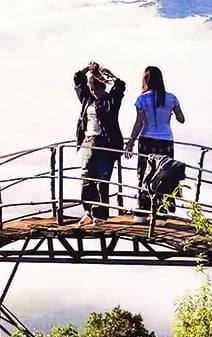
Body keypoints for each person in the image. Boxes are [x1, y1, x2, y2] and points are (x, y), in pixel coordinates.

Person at [124, 66, 185, 223]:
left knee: (144, 173)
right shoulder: (171, 98)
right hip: (166, 140)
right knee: (165, 174)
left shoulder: (142, 99)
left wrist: (130, 142)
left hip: (147, 139)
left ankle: (142, 212)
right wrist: (170, 112)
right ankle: (161, 213)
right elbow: (181, 118)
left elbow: (139, 123)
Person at [73, 61, 126, 226]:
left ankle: (101, 215)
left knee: (102, 180)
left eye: (97, 89)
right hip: (88, 141)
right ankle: (88, 211)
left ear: (103, 87)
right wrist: (88, 69)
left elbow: (120, 85)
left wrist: (106, 74)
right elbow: (77, 78)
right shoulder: (87, 99)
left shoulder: (111, 101)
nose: (94, 92)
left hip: (105, 143)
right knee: (86, 178)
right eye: (91, 89)